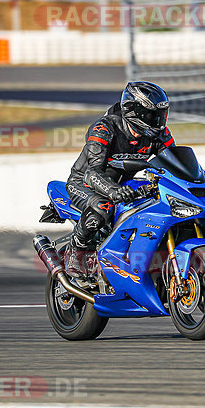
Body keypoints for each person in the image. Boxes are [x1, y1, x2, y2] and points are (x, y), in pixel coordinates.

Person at [64, 81, 175, 281]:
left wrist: (194, 178)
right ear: (133, 111)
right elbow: (92, 172)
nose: (157, 120)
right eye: (151, 114)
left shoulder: (158, 134)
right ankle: (76, 251)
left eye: (160, 114)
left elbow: (175, 161)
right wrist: (114, 191)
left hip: (123, 184)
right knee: (103, 207)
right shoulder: (104, 129)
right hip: (85, 183)